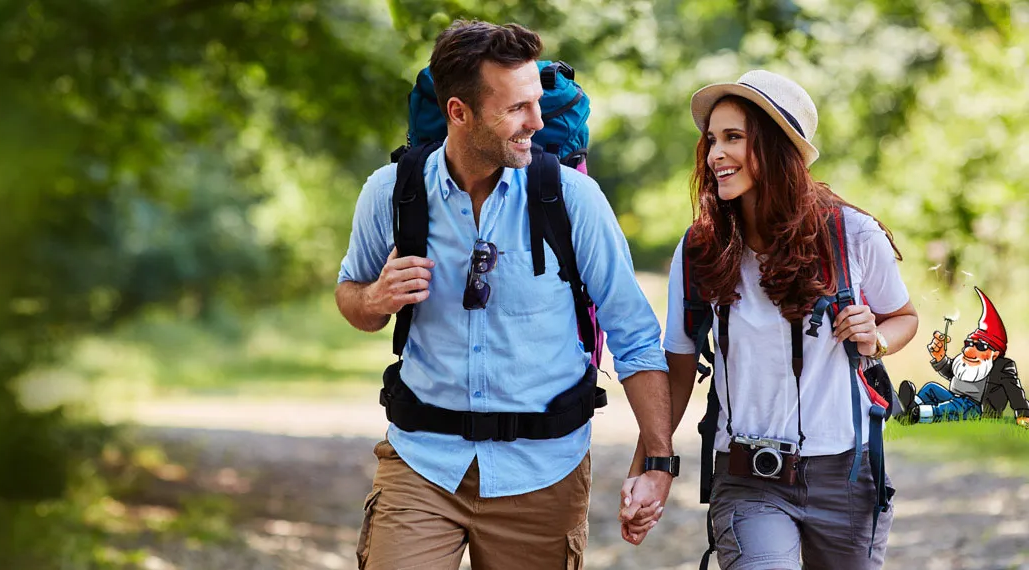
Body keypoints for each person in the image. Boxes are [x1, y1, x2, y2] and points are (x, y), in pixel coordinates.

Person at [335, 19, 675, 570]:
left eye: (538, 105)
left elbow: (635, 335)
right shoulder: (392, 192)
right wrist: (375, 298)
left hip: (544, 473)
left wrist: (657, 459)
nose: (535, 124)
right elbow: (350, 293)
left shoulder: (571, 199)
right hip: (422, 463)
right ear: (458, 112)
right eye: (516, 108)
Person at [628, 70, 920, 568]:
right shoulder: (701, 249)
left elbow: (904, 317)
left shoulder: (852, 234)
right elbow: (677, 367)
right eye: (712, 140)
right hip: (746, 479)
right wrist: (651, 467)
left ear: (777, 147)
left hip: (847, 477)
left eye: (733, 138)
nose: (715, 154)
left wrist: (878, 339)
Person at [899, 287, 1028, 425]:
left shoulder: (1002, 367)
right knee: (931, 388)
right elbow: (952, 373)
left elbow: (1014, 391)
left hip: (975, 408)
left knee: (955, 406)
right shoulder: (967, 362)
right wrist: (940, 357)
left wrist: (1023, 413)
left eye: (980, 346)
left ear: (994, 354)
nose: (969, 350)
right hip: (955, 397)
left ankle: (918, 414)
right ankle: (908, 407)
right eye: (969, 343)